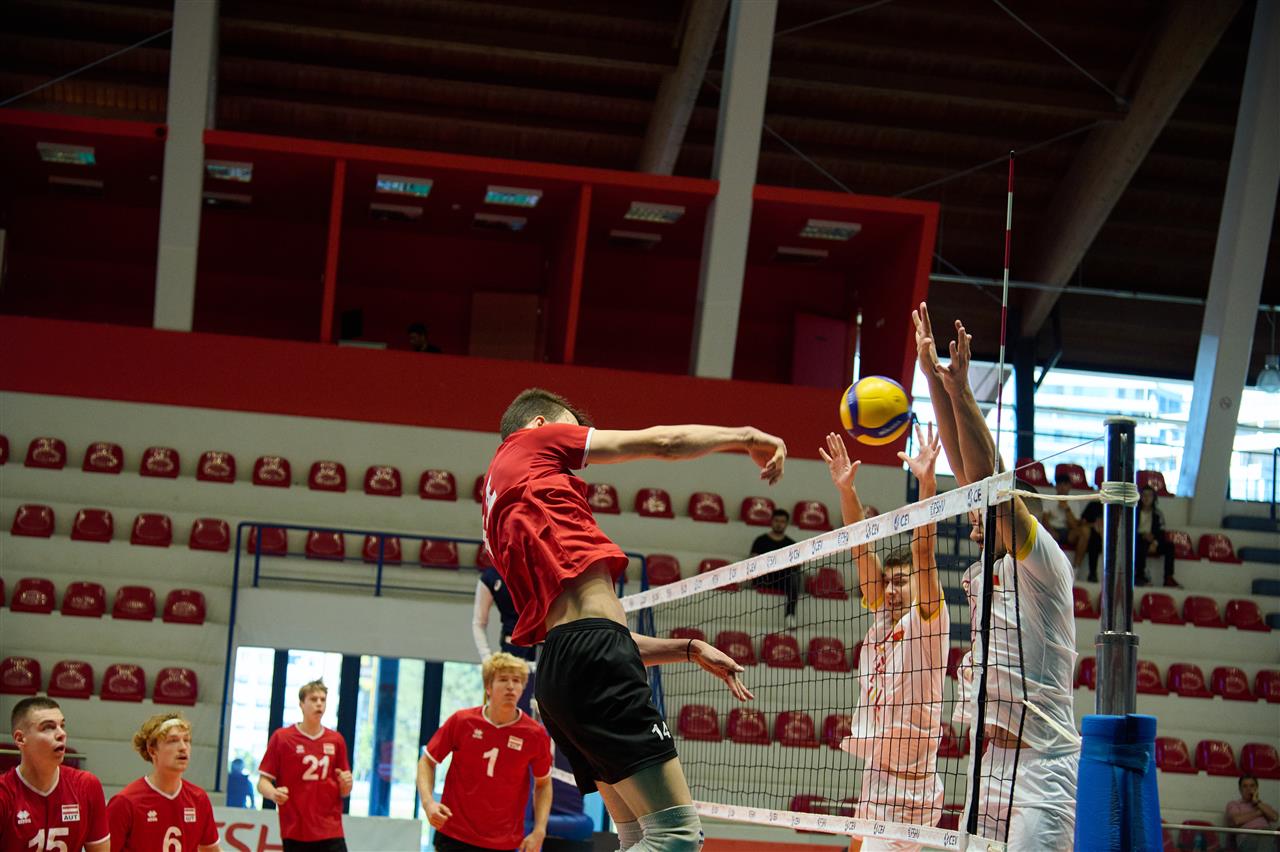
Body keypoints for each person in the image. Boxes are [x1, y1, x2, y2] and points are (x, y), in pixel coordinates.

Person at [482, 387, 782, 851]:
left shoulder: (496, 508)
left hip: (559, 672)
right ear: (541, 424)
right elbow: (662, 442)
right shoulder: (533, 443)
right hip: (590, 660)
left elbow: (587, 634)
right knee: (677, 837)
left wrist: (687, 648)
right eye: (570, 430)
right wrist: (745, 436)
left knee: (637, 836)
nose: (576, 449)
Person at [913, 303, 1079, 850]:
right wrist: (934, 377)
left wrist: (962, 390)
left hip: (1042, 769)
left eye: (984, 511)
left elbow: (989, 483)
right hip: (989, 765)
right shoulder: (989, 567)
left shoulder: (1044, 564)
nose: (973, 515)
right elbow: (971, 478)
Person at [820, 424, 948, 852]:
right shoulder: (881, 620)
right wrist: (846, 490)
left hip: (910, 790)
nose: (891, 590)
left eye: (901, 582)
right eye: (888, 582)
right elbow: (860, 546)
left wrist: (927, 486)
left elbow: (923, 553)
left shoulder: (927, 622)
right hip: (877, 770)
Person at [417, 653, 552, 852]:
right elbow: (427, 761)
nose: (511, 686)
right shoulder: (462, 721)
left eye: (517, 681)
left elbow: (543, 784)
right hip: (454, 834)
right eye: (503, 679)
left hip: (503, 842)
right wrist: (428, 803)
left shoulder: (535, 734)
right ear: (488, 687)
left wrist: (540, 830)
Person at [1, 697, 110, 852]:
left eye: (62, 726)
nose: (61, 734)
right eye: (48, 727)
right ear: (20, 739)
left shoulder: (86, 785)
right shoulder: (4, 793)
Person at [257, 680, 353, 852]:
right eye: (314, 699)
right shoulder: (283, 738)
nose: (319, 704)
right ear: (302, 704)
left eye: (323, 700)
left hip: (330, 830)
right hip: (295, 830)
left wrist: (347, 784)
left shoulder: (336, 740)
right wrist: (273, 793)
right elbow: (263, 782)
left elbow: (344, 791)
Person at [108, 713, 220, 851]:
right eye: (173, 741)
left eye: (187, 740)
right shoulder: (125, 802)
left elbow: (211, 850)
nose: (183, 747)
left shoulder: (199, 799)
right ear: (152, 750)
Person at [474, 565, 537, 711]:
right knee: (506, 709)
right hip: (511, 652)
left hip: (543, 651)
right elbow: (478, 622)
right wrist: (486, 658)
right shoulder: (492, 576)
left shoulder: (544, 567)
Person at [748, 509, 801, 629]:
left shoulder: (791, 544)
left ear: (786, 524)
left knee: (795, 575)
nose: (779, 524)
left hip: (783, 580)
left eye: (782, 521)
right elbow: (753, 561)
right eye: (776, 520)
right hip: (765, 578)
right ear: (771, 521)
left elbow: (797, 565)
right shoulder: (760, 541)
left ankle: (790, 615)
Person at [1135, 485, 1179, 588]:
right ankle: (1139, 576)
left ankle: (1168, 578)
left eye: (1149, 495)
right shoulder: (1134, 512)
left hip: (1153, 540)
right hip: (1138, 540)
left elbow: (1161, 532)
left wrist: (1155, 542)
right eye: (1144, 495)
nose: (1146, 498)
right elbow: (1129, 530)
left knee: (1169, 547)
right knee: (1141, 544)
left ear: (1154, 498)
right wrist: (1142, 535)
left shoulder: (1158, 514)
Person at [1225, 774, 1279, 852]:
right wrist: (1259, 812)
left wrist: (1257, 803)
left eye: (1252, 786)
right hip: (1248, 837)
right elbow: (1237, 820)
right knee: (1268, 841)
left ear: (1256, 788)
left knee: (1269, 838)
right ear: (1240, 789)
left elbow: (1275, 817)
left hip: (1267, 834)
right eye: (1245, 786)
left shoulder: (1262, 805)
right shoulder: (1234, 804)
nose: (1249, 789)